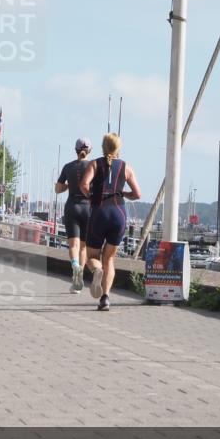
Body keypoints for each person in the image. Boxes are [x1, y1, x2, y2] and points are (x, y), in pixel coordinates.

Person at [80, 133, 141, 311]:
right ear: (118, 148)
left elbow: (84, 184)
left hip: (99, 211)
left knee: (92, 257)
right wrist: (124, 194)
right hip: (119, 214)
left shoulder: (95, 164)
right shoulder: (126, 167)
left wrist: (91, 196)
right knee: (110, 259)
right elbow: (137, 194)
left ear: (103, 147)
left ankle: (96, 271)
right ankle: (105, 298)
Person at [55, 137, 93, 293]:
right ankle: (79, 280)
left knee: (73, 245)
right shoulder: (93, 166)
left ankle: (75, 267)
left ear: (75, 150)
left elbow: (58, 189)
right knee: (83, 246)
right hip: (88, 207)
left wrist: (69, 185)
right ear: (89, 150)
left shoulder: (68, 167)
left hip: (72, 206)